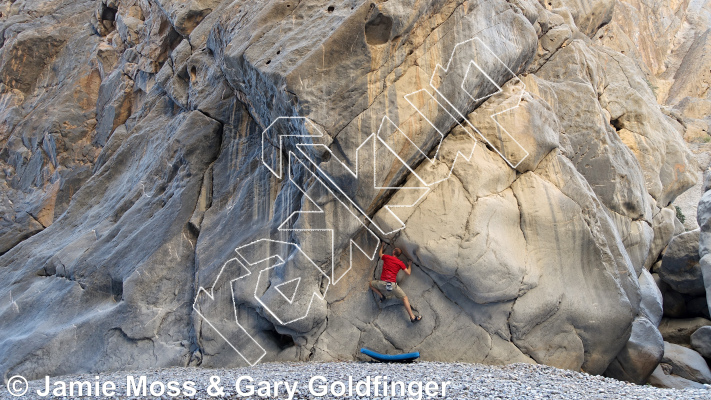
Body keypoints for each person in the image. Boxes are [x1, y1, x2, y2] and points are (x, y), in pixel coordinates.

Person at [369, 243, 422, 322]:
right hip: (392, 285)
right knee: (405, 298)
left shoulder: (387, 257)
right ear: (399, 255)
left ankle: (381, 295)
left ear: (393, 252)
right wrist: (409, 265)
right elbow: (408, 273)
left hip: (383, 284)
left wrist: (382, 246)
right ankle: (412, 317)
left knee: (370, 284)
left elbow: (380, 254)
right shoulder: (400, 263)